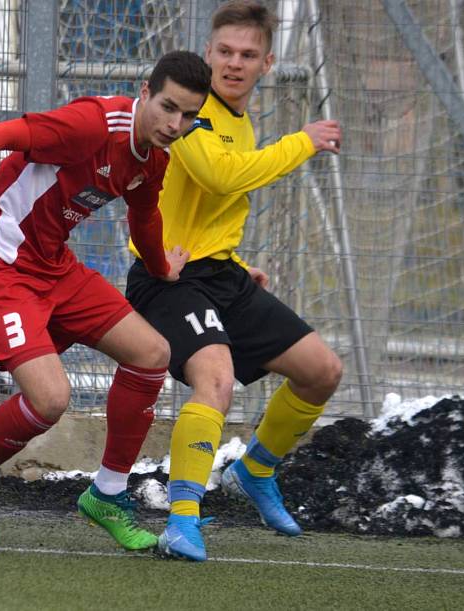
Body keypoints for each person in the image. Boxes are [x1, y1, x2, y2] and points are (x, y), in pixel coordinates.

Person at [0, 51, 211, 552]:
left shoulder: (154, 158)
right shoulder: (91, 125)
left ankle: (107, 494)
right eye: (168, 107)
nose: (174, 123)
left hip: (53, 267)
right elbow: (7, 133)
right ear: (145, 93)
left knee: (152, 355)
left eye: (188, 115)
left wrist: (163, 266)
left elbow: (144, 217)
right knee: (51, 399)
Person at [125, 0, 343, 562]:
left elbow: (209, 210)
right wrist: (303, 141)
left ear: (267, 63)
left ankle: (256, 470)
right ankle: (181, 521)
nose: (234, 63)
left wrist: (238, 266)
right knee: (215, 384)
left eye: (247, 54)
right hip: (165, 277)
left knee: (321, 372)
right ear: (208, 54)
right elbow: (221, 179)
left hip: (219, 274)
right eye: (224, 51)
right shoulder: (190, 115)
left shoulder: (240, 122)